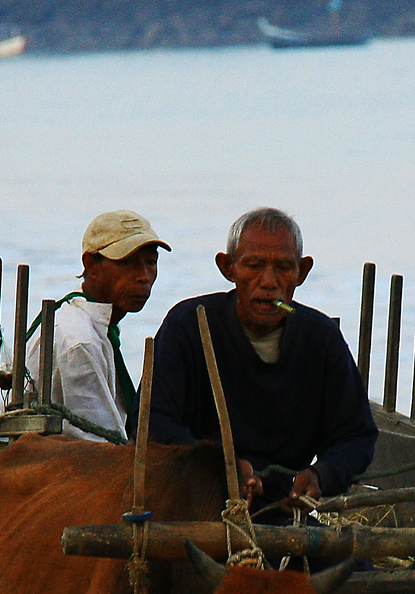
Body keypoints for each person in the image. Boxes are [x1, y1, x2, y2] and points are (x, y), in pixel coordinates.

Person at [147, 208, 376, 512]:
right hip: (190, 508)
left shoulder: (321, 338)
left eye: (283, 267)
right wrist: (223, 468)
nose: (268, 282)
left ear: (302, 272)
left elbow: (356, 435)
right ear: (228, 268)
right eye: (253, 265)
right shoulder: (188, 326)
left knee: (353, 562)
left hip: (281, 511)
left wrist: (321, 474)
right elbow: (152, 424)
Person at [25, 210, 168, 442]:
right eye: (128, 262)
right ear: (91, 265)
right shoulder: (80, 341)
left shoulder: (95, 325)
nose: (144, 276)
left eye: (151, 262)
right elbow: (101, 443)